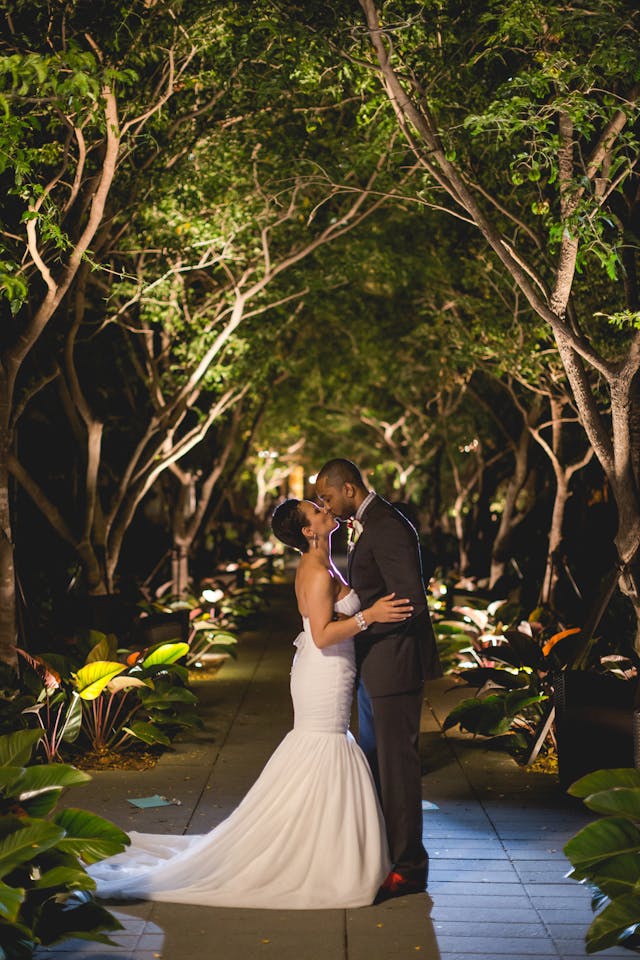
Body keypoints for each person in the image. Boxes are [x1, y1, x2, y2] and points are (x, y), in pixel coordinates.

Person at [88, 498, 413, 909]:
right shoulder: (314, 571)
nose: (326, 511)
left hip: (333, 669)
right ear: (310, 532)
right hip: (324, 668)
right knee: (324, 744)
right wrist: (372, 615)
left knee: (323, 747)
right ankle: (318, 858)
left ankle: (314, 846)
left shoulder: (323, 562)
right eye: (318, 511)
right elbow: (322, 635)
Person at [315, 458, 442, 898]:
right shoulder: (366, 523)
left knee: (398, 769)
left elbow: (409, 600)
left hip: (394, 664)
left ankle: (409, 867)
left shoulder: (386, 525)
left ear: (349, 488)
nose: (324, 505)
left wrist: (365, 622)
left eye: (326, 497)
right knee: (375, 765)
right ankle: (385, 854)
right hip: (374, 666)